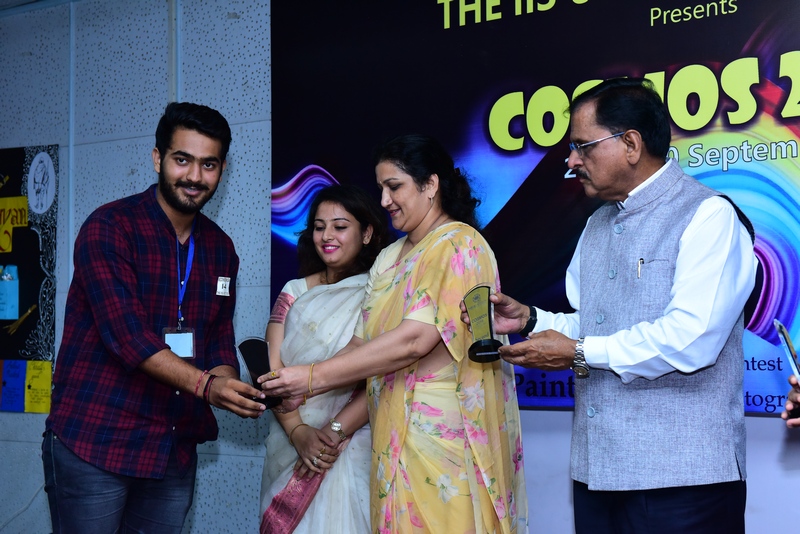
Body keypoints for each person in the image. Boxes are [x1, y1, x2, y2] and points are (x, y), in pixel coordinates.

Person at [465, 78, 757, 534]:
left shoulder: (709, 215)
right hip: (598, 471)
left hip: (683, 480)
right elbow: (595, 323)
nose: (571, 161)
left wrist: (578, 352)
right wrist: (530, 319)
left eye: (582, 146)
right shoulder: (597, 223)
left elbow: (691, 339)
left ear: (631, 144)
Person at [262, 134, 528, 533]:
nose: (385, 200)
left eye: (394, 187)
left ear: (430, 184)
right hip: (388, 434)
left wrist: (311, 378)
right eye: (381, 188)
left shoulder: (460, 245)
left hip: (444, 442)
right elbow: (360, 343)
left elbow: (414, 341)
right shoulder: (389, 257)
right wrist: (300, 389)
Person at [42, 102, 267, 534]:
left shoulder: (221, 248)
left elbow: (218, 338)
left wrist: (231, 387)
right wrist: (208, 387)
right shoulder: (110, 227)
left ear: (222, 170)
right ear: (157, 158)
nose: (195, 176)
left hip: (172, 447)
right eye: (182, 159)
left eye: (209, 164)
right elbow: (127, 337)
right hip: (97, 440)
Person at [259, 184, 391, 533]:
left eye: (340, 226)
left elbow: (382, 374)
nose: (327, 236)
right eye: (319, 227)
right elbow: (271, 370)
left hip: (352, 441)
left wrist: (332, 433)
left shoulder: (380, 294)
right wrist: (298, 432)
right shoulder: (294, 291)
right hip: (290, 440)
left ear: (367, 233)